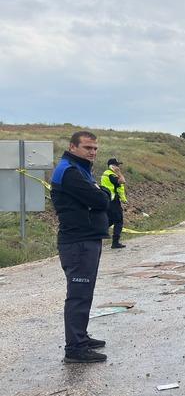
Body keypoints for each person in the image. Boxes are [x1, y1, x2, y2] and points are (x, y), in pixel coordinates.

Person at [50, 131, 112, 363]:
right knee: (78, 295)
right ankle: (75, 349)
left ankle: (81, 337)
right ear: (73, 147)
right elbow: (100, 200)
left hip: (86, 239)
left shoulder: (80, 169)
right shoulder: (70, 171)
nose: (93, 152)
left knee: (84, 294)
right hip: (78, 242)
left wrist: (100, 194)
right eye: (88, 148)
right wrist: (102, 194)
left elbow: (98, 198)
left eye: (95, 148)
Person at [100, 157, 127, 249]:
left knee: (110, 220)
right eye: (116, 165)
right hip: (113, 201)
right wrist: (119, 173)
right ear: (112, 166)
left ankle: (96, 234)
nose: (118, 167)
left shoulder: (105, 174)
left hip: (107, 200)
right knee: (119, 220)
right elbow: (123, 181)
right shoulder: (111, 175)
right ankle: (115, 242)